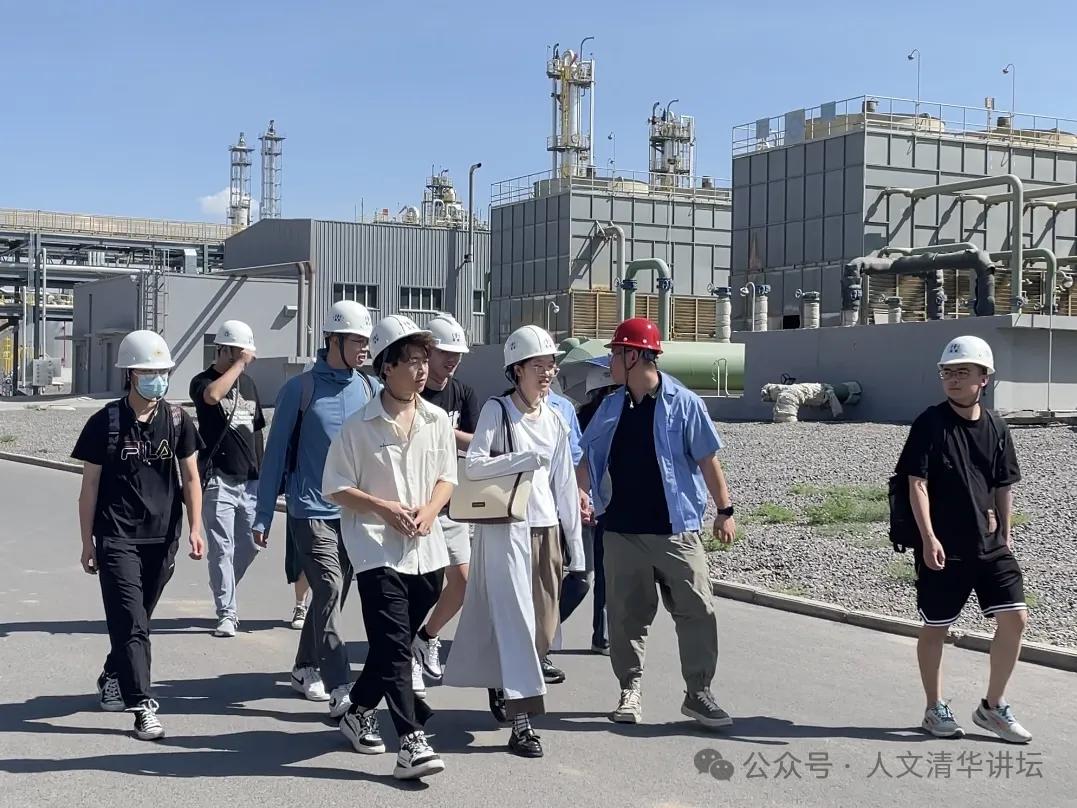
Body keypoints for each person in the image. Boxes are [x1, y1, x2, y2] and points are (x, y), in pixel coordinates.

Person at [577, 317, 736, 729]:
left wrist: (725, 511)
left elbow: (708, 460)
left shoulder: (684, 403)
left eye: (615, 354)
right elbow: (586, 458)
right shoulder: (609, 406)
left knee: (698, 609)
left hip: (676, 531)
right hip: (621, 531)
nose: (610, 363)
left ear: (634, 356)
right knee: (625, 617)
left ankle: (698, 693)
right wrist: (581, 492)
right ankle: (629, 689)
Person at [324, 315, 455, 780]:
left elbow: (447, 477)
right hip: (375, 549)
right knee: (397, 645)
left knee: (389, 643)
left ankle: (359, 709)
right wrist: (382, 508)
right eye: (411, 361)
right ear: (386, 367)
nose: (422, 370)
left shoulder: (437, 420)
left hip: (426, 550)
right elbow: (335, 486)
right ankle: (411, 741)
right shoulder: (358, 427)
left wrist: (432, 509)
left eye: (424, 360)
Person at [445, 325, 584, 759]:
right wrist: (521, 460)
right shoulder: (497, 410)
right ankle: (523, 724)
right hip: (506, 532)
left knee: (543, 628)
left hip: (546, 532)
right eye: (539, 366)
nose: (547, 373)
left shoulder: (557, 419)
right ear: (517, 369)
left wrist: (576, 549)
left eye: (551, 365)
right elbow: (474, 465)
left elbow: (565, 485)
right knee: (517, 625)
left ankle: (503, 680)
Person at [895, 335, 1030, 743]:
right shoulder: (930, 423)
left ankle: (993, 706)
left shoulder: (997, 426)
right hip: (944, 546)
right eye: (947, 373)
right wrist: (928, 537)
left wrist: (1006, 533)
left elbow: (1003, 483)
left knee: (1015, 618)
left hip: (990, 545)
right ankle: (934, 708)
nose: (952, 379)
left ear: (983, 378)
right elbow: (916, 483)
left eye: (962, 372)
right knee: (936, 626)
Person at [73, 330, 205, 741]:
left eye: (163, 372)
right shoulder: (105, 422)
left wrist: (196, 527)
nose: (157, 379)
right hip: (116, 536)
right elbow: (89, 486)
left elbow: (191, 477)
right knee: (131, 621)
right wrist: (87, 541)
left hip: (162, 536)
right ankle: (142, 705)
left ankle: (113, 674)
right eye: (149, 372)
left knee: (137, 620)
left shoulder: (179, 420)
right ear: (130, 374)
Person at [254, 300, 378, 718]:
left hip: (354, 512)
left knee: (332, 596)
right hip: (309, 508)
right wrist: (263, 513)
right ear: (333, 340)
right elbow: (275, 455)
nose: (364, 348)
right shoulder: (300, 389)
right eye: (356, 340)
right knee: (327, 587)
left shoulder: (369, 389)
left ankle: (304, 666)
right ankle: (341, 684)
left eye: (366, 341)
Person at [411, 314, 479, 697]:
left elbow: (477, 441)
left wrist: (444, 430)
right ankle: (407, 659)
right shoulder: (412, 391)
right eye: (445, 353)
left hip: (451, 503)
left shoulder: (464, 393)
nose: (452, 360)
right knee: (421, 586)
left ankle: (427, 637)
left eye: (458, 354)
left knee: (464, 583)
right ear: (428, 352)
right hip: (416, 504)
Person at [190, 320, 266, 638]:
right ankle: (227, 612)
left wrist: (264, 475)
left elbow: (257, 431)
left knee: (251, 544)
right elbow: (212, 396)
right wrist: (237, 365)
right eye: (240, 352)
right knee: (222, 548)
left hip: (250, 480)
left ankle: (224, 584)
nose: (246, 358)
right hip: (218, 478)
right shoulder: (202, 381)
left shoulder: (249, 385)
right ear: (224, 349)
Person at [560, 361, 618, 655]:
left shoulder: (588, 416)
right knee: (585, 575)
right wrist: (587, 499)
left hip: (594, 505)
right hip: (587, 505)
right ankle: (541, 628)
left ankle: (601, 635)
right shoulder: (595, 420)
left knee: (592, 574)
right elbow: (578, 462)